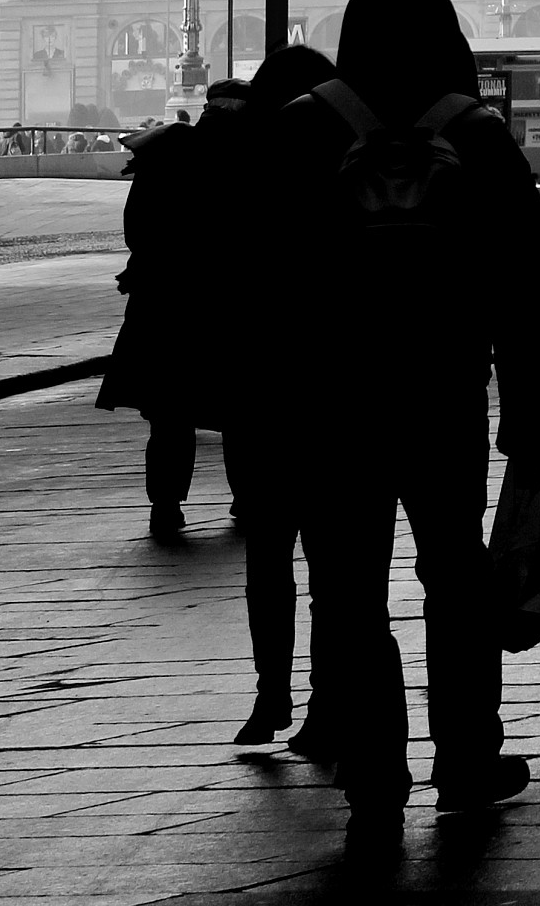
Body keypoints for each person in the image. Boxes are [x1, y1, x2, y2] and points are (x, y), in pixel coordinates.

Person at [275, 0, 540, 821]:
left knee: (348, 588)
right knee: (457, 576)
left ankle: (374, 774)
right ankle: (468, 756)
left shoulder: (304, 126)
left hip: (334, 396)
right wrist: (525, 396)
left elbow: (265, 272)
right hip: (443, 391)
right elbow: (525, 275)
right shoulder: (476, 132)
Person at [217, 46, 343, 755]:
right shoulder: (344, 159)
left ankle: (271, 692)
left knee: (268, 550)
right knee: (335, 564)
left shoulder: (242, 168)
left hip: (258, 386)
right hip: (333, 388)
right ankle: (326, 702)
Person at [96, 108, 218, 546]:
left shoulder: (147, 187)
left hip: (154, 311)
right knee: (215, 409)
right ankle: (242, 498)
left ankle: (164, 504)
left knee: (167, 419)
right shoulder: (207, 189)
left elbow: (138, 240)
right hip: (199, 310)